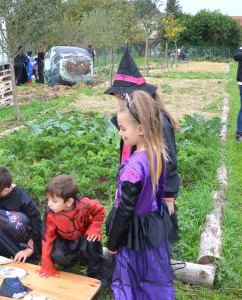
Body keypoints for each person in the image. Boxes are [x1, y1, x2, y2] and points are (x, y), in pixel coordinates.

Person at [104, 48, 181, 244]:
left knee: (155, 234)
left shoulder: (157, 123)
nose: (118, 103)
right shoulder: (130, 123)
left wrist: (169, 197)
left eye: (120, 99)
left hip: (152, 192)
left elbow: (169, 161)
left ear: (131, 97)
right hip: (135, 186)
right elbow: (125, 155)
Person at [105, 90, 174, 298]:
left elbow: (125, 210)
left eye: (123, 128)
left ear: (141, 128)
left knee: (130, 275)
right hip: (150, 223)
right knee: (150, 270)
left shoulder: (134, 168)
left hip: (133, 231)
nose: (120, 133)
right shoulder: (157, 151)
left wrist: (113, 244)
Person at [38, 175, 110, 286]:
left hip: (84, 237)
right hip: (66, 240)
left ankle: (95, 272)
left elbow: (100, 211)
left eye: (54, 201)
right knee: (58, 255)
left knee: (92, 242)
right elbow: (47, 237)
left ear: (69, 201)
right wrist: (46, 261)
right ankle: (71, 261)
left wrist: (94, 228)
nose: (49, 204)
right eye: (48, 199)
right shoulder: (51, 214)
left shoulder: (85, 204)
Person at [0, 165, 42, 264]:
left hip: (20, 241)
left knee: (18, 219)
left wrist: (30, 249)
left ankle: (21, 255)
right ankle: (1, 252)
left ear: (5, 190)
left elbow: (36, 223)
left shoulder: (22, 197)